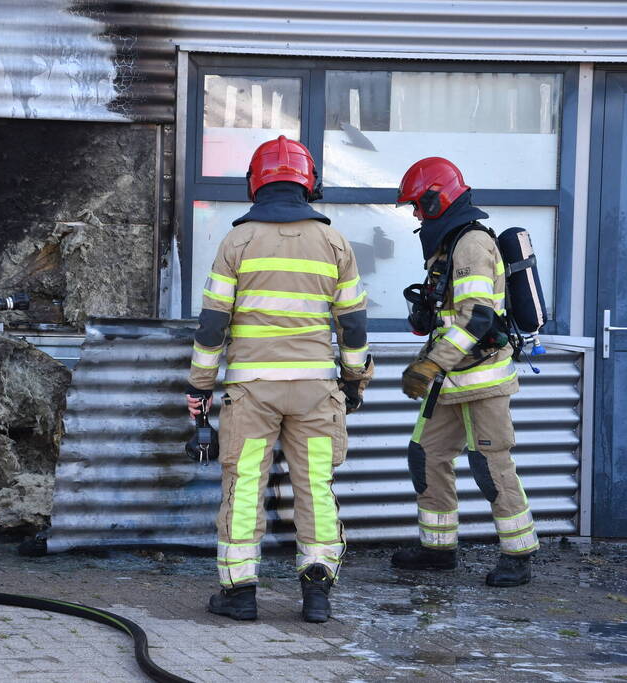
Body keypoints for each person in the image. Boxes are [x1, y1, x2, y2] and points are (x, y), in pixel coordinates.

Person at [186, 136, 373, 623]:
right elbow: (352, 324)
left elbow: (212, 325)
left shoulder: (237, 241)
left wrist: (201, 385)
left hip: (252, 392)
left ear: (257, 182)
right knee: (315, 485)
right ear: (308, 182)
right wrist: (353, 381)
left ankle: (240, 593)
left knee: (245, 484)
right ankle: (317, 593)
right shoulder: (335, 242)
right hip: (315, 391)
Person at [393, 156, 538, 586]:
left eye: (419, 205)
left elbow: (477, 320)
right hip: (450, 381)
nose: (417, 214)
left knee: (490, 465)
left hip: (480, 382)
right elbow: (450, 313)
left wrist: (430, 363)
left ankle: (519, 553)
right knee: (426, 455)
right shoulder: (449, 244)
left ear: (439, 199)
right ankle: (438, 549)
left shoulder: (472, 243)